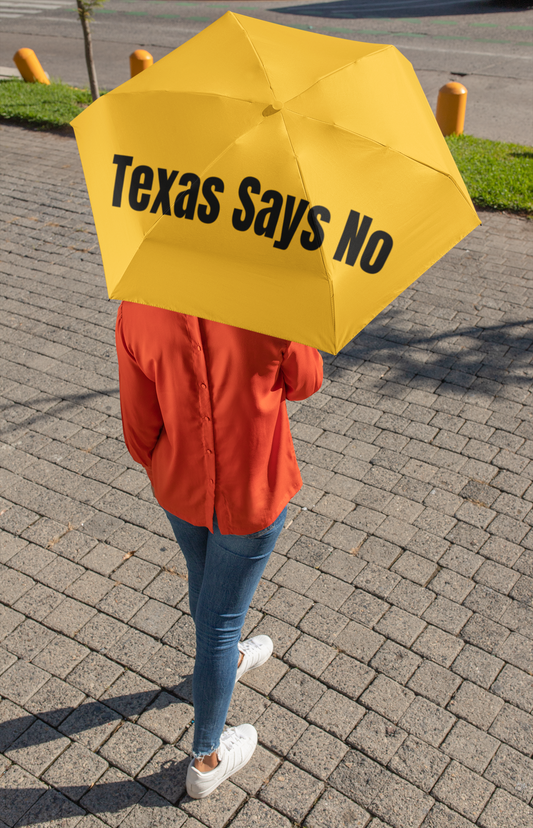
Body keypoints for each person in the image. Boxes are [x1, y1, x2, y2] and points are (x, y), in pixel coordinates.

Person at [115, 301, 323, 798]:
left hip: (180, 487)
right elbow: (308, 380)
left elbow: (138, 428)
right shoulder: (269, 300)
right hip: (253, 492)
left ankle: (223, 661)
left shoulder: (139, 306)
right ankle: (206, 758)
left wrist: (169, 465)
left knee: (205, 585)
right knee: (220, 621)